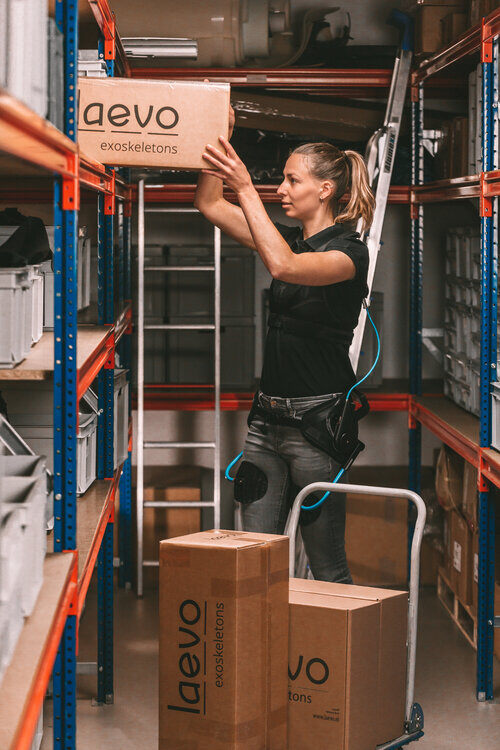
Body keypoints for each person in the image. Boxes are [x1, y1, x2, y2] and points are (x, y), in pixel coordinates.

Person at [194, 105, 375, 583]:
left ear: (325, 190)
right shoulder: (290, 239)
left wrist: (248, 188)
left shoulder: (349, 254)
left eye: (292, 180)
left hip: (316, 431)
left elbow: (285, 268)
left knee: (327, 567)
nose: (282, 189)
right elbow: (211, 206)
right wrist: (217, 132)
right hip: (265, 424)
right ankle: (264, 656)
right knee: (253, 564)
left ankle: (332, 657)